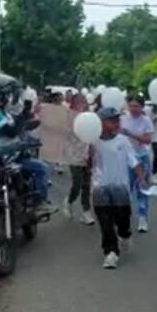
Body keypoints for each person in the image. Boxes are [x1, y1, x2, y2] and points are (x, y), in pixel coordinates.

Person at [0, 74, 53, 214]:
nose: (10, 97)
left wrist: (29, 120)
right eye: (7, 94)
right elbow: (11, 131)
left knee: (41, 168)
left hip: (12, 158)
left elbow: (18, 126)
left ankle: (36, 202)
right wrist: (24, 118)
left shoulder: (2, 112)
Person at [90, 107, 146, 269]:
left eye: (117, 120)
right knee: (105, 222)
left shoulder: (122, 140)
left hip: (120, 188)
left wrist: (141, 177)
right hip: (100, 187)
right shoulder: (93, 142)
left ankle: (125, 235)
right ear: (101, 123)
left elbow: (133, 160)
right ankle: (110, 252)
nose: (116, 123)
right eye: (111, 120)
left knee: (122, 220)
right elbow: (85, 161)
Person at [120, 95, 154, 233]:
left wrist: (131, 134)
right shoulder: (122, 119)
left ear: (142, 107)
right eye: (131, 106)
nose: (133, 109)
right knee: (125, 189)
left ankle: (142, 217)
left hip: (141, 157)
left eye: (136, 106)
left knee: (142, 188)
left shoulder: (146, 120)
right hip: (125, 158)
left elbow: (147, 140)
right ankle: (124, 217)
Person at [66, 93, 95, 225]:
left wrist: (92, 152)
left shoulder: (90, 116)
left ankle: (86, 211)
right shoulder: (68, 116)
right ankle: (69, 201)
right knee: (77, 183)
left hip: (86, 154)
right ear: (73, 103)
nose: (81, 104)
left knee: (86, 184)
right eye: (78, 101)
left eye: (83, 101)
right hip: (73, 155)